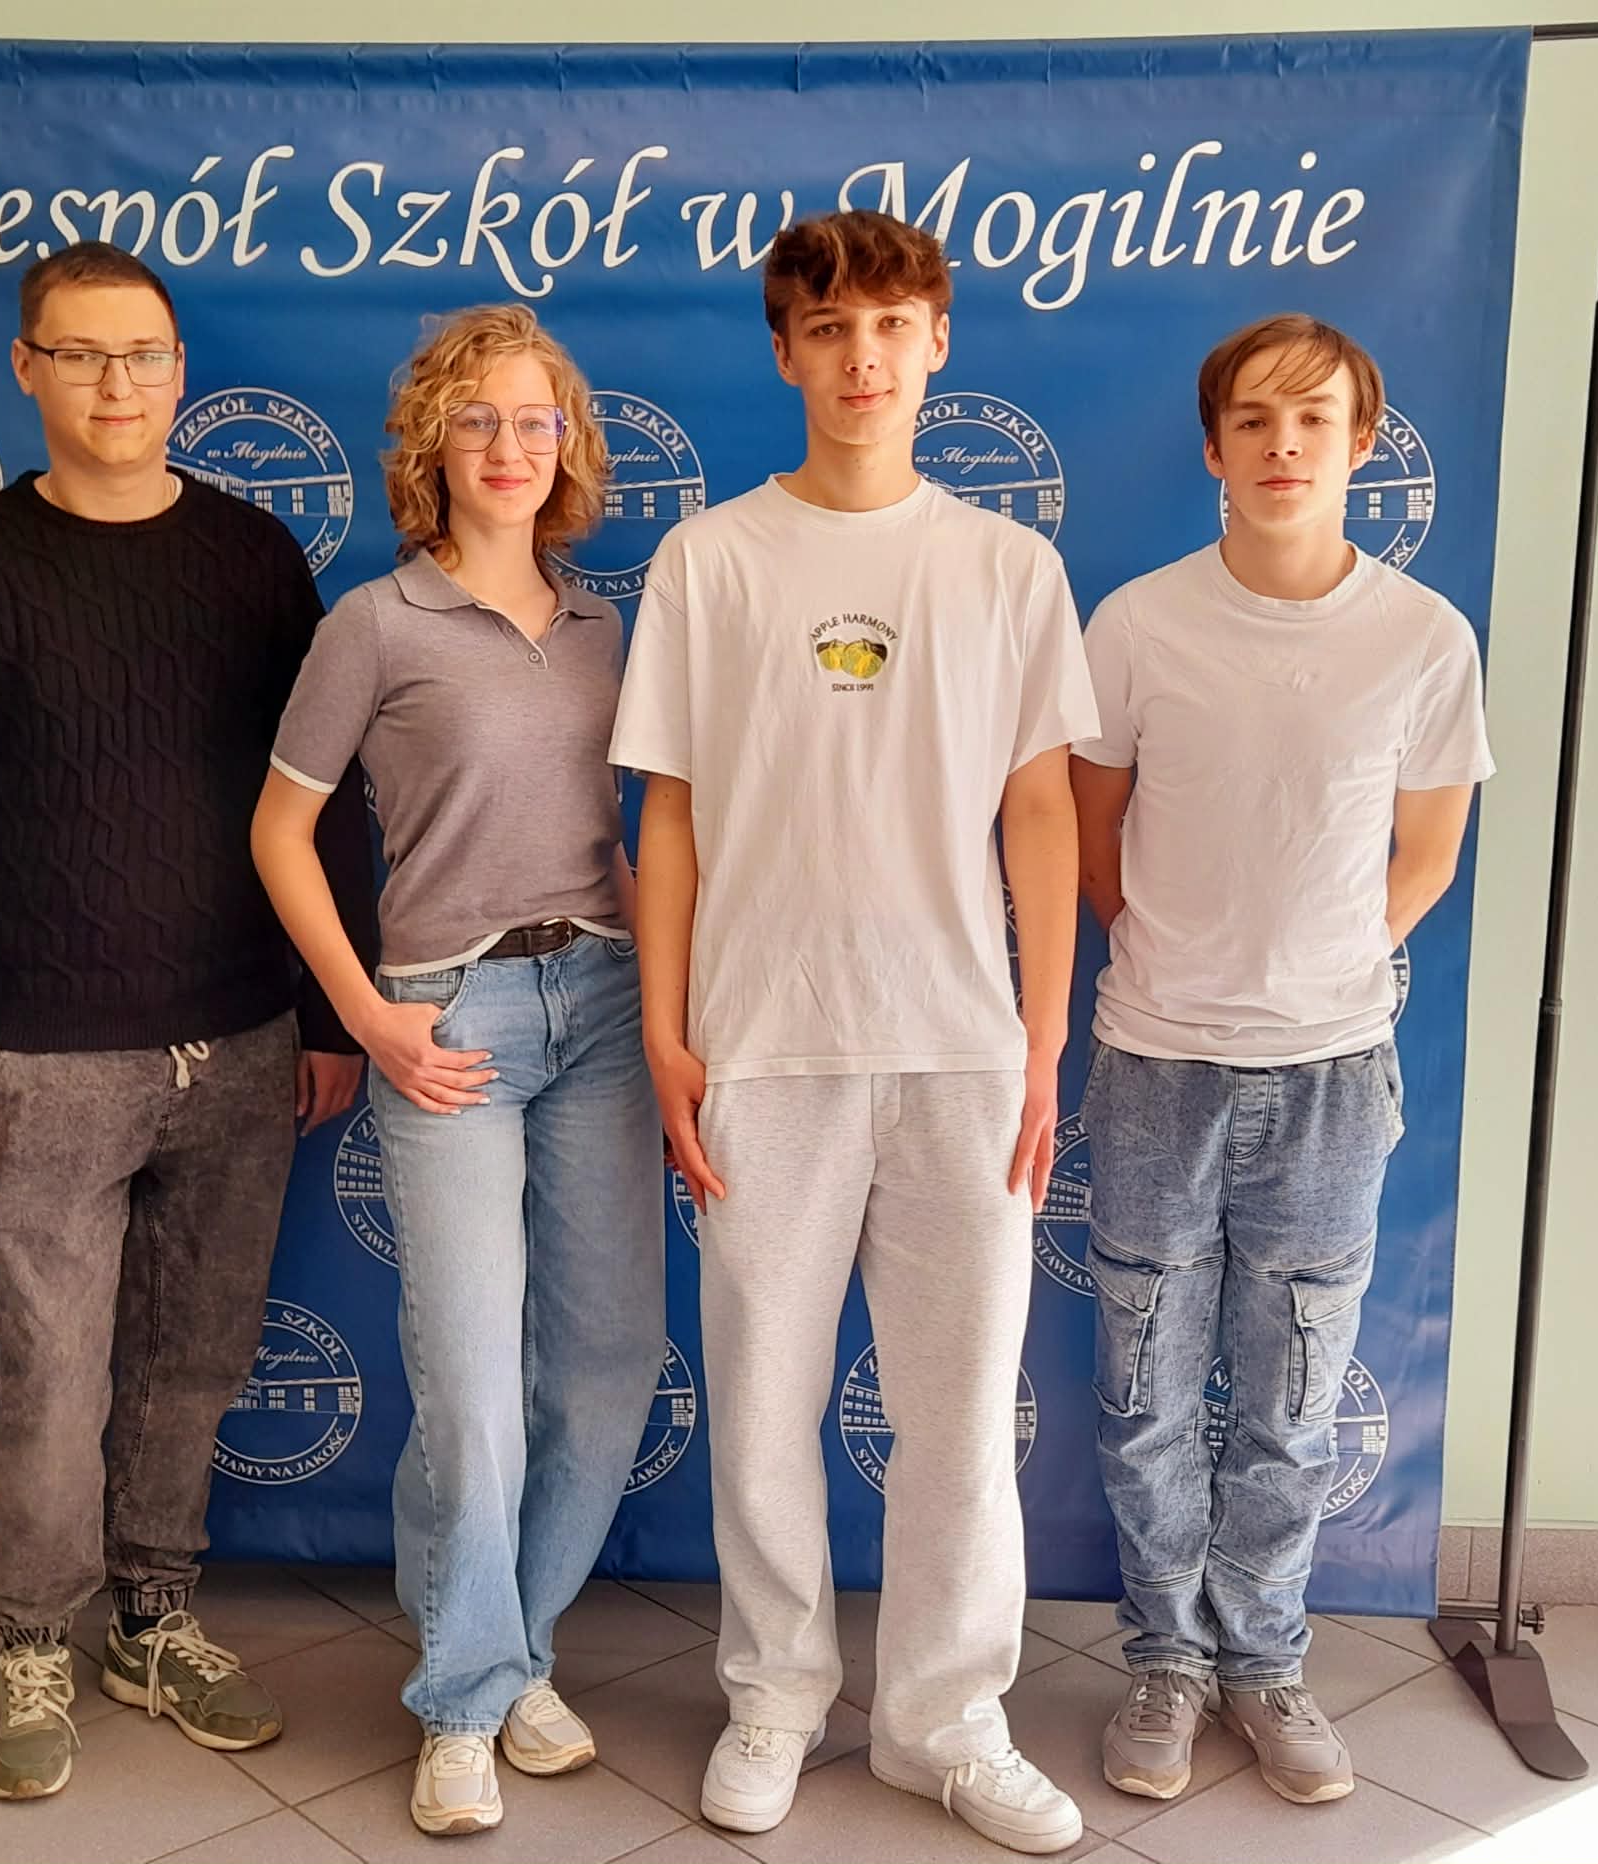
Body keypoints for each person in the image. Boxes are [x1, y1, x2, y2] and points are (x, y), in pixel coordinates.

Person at [0, 240, 375, 1801]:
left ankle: (153, 1619)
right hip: (47, 1052)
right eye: (80, 355)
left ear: (178, 370)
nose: (115, 385)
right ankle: (33, 1638)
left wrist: (328, 1012)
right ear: (26, 369)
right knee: (47, 1371)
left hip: (243, 1039)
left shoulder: (253, 557)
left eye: (141, 354)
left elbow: (325, 801)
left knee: (193, 1357)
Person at [611, 209, 1096, 1854]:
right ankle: (776, 1695)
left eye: (890, 326)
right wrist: (669, 1034)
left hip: (962, 1054)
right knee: (760, 1407)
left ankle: (945, 1722)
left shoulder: (1008, 567)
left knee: (959, 1420)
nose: (862, 358)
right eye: (828, 330)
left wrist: (1040, 1044)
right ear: (785, 353)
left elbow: (1043, 814)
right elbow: (670, 816)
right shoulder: (711, 560)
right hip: (763, 1048)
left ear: (938, 342)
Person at [252, 304, 663, 1838]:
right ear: (434, 443)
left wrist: (670, 1007)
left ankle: (513, 1649)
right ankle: (465, 1701)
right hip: (446, 1021)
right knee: (476, 1387)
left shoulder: (605, 627)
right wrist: (365, 1012)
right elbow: (280, 832)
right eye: (478, 419)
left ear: (568, 445)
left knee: (608, 1363)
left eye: (534, 419)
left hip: (605, 1006)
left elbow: (640, 837)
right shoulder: (375, 623)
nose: (509, 446)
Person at [1071, 313, 1493, 1807]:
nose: (1283, 445)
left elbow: (1429, 851)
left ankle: (1263, 1660)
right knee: (1143, 1391)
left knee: (1293, 1398)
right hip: (1155, 1067)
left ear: (1362, 444)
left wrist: (1313, 968)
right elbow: (1091, 834)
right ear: (1213, 447)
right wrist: (1182, 961)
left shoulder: (1424, 638)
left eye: (1314, 420)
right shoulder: (1137, 625)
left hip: (1330, 1076)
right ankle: (1164, 1664)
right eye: (1254, 419)